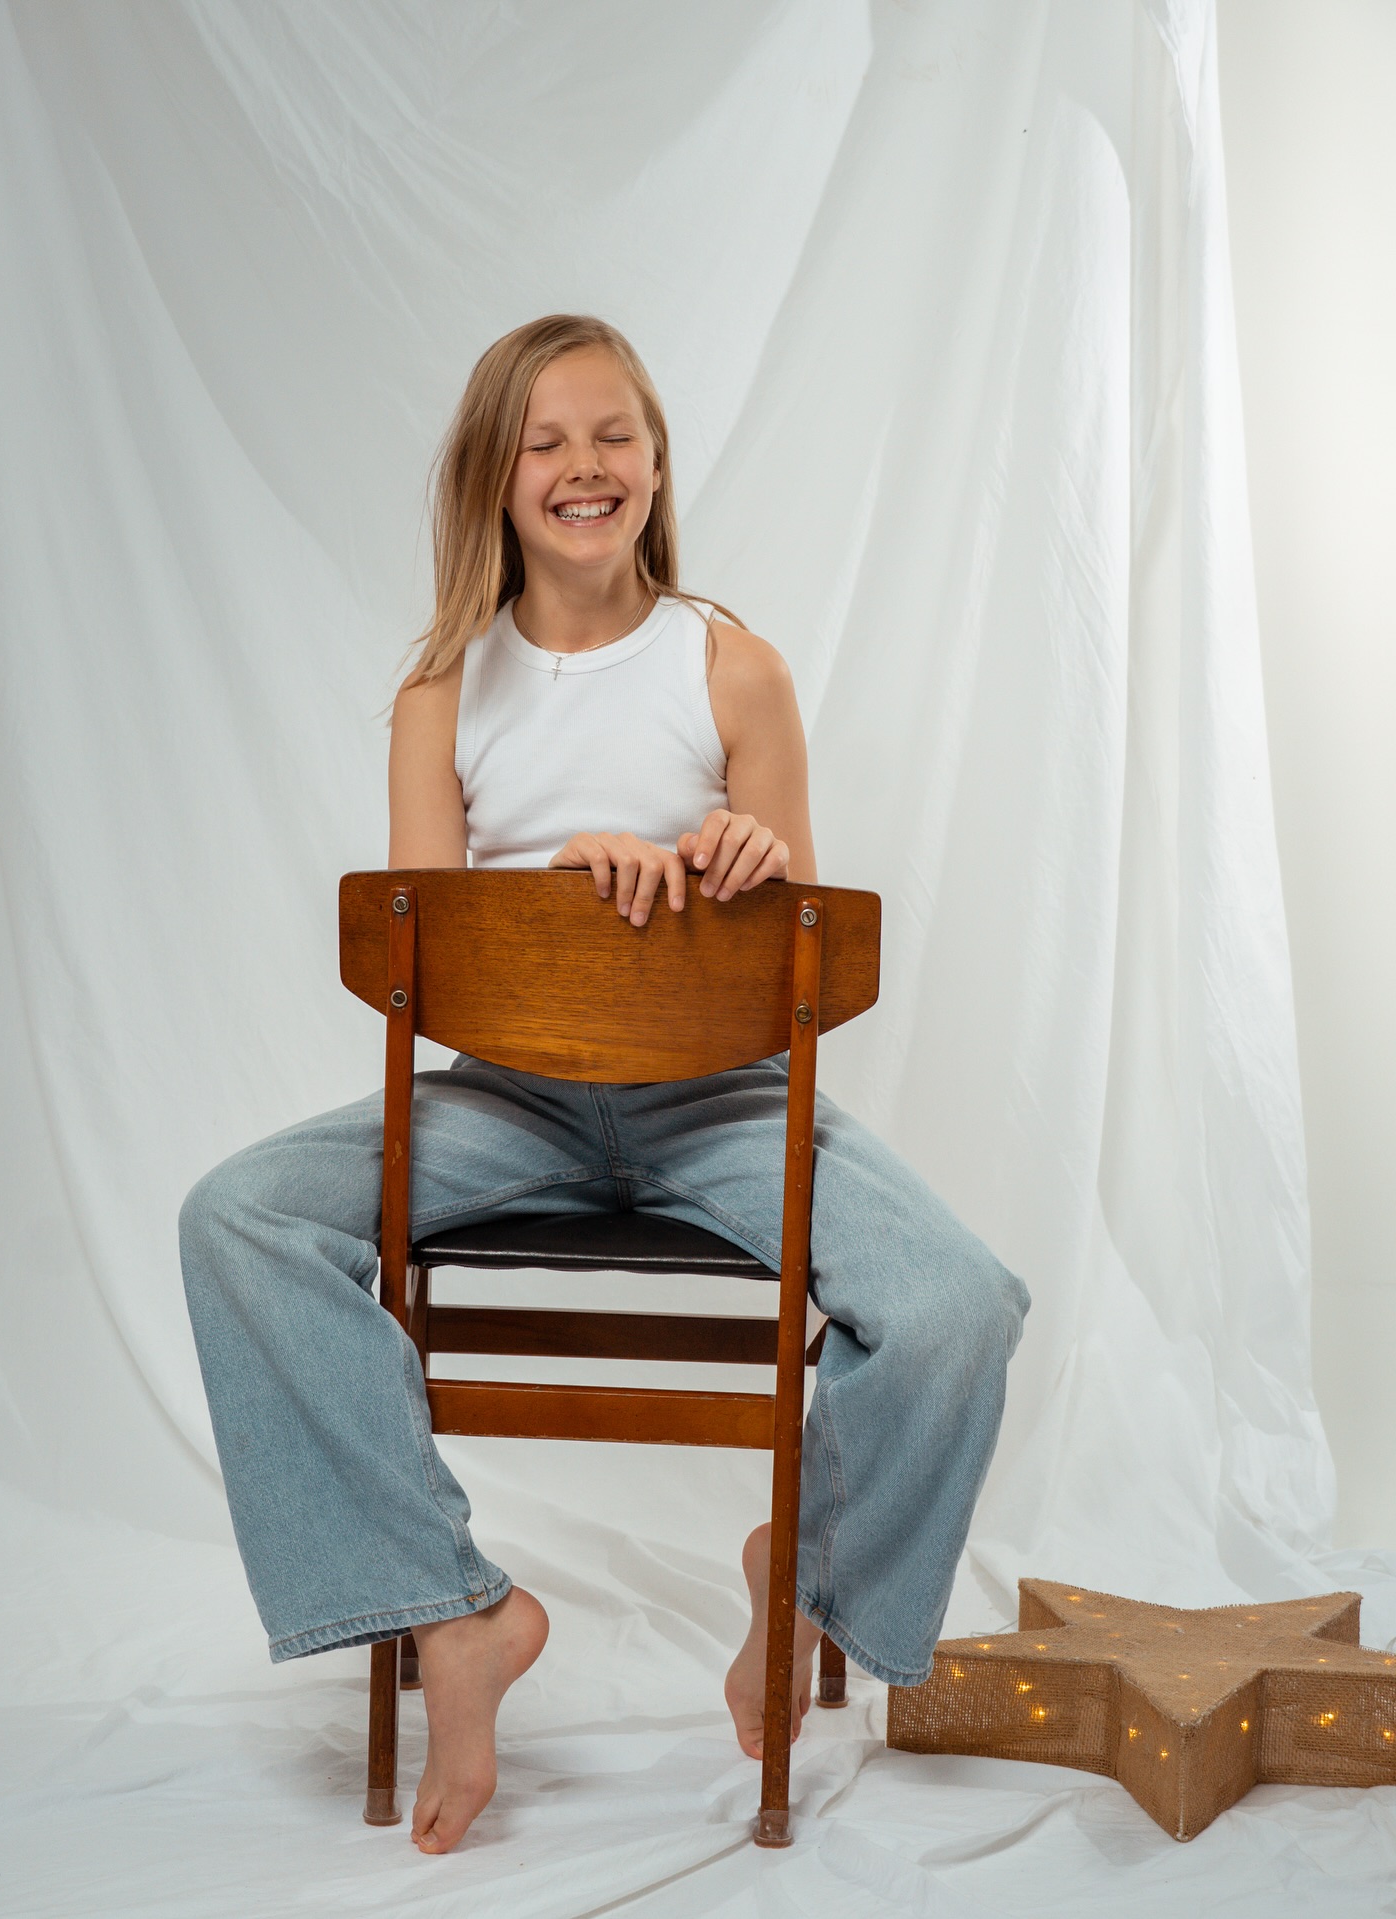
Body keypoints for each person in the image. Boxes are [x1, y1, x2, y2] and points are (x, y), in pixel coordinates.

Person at [179, 314, 1030, 1857]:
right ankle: (457, 1609)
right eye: (547, 441)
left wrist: (748, 874)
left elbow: (816, 953)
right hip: (509, 1099)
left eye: (615, 434)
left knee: (961, 1303)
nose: (586, 467)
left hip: (725, 1103)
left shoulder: (733, 666)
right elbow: (411, 956)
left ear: (654, 460)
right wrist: (563, 899)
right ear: (495, 481)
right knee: (237, 1217)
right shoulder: (442, 692)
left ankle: (808, 1574)